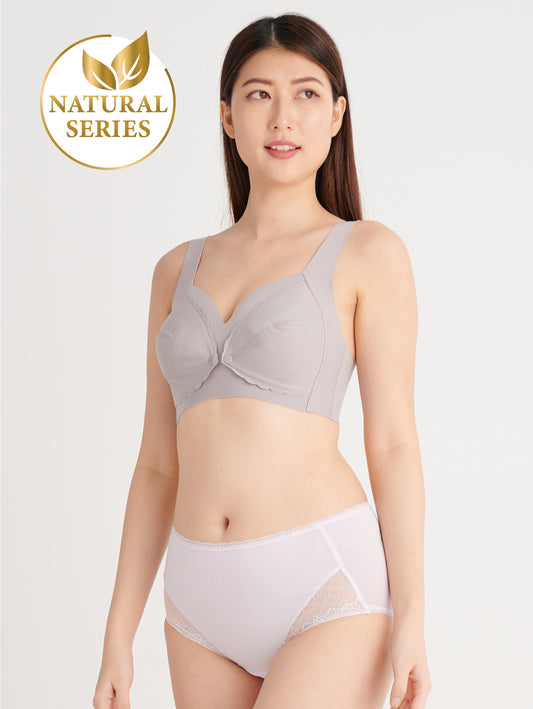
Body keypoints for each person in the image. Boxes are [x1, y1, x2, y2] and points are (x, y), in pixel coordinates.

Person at [93, 12, 431, 709]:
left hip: (324, 587)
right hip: (197, 601)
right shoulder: (174, 270)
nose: (283, 117)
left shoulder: (368, 252)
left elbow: (393, 443)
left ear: (336, 116)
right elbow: (156, 463)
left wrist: (412, 618)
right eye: (258, 94)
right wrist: (116, 633)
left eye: (306, 93)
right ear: (227, 116)